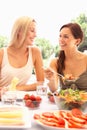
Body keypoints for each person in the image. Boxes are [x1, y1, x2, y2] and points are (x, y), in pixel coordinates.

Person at [0, 16, 44, 92]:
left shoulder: (35, 52)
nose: (35, 35)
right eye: (32, 31)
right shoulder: (2, 53)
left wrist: (14, 89)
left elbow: (40, 83)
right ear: (19, 31)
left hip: (21, 101)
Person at [44, 23, 87, 92]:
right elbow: (54, 89)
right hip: (65, 102)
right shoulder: (55, 62)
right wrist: (51, 79)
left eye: (66, 37)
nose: (61, 39)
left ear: (77, 41)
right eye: (60, 36)